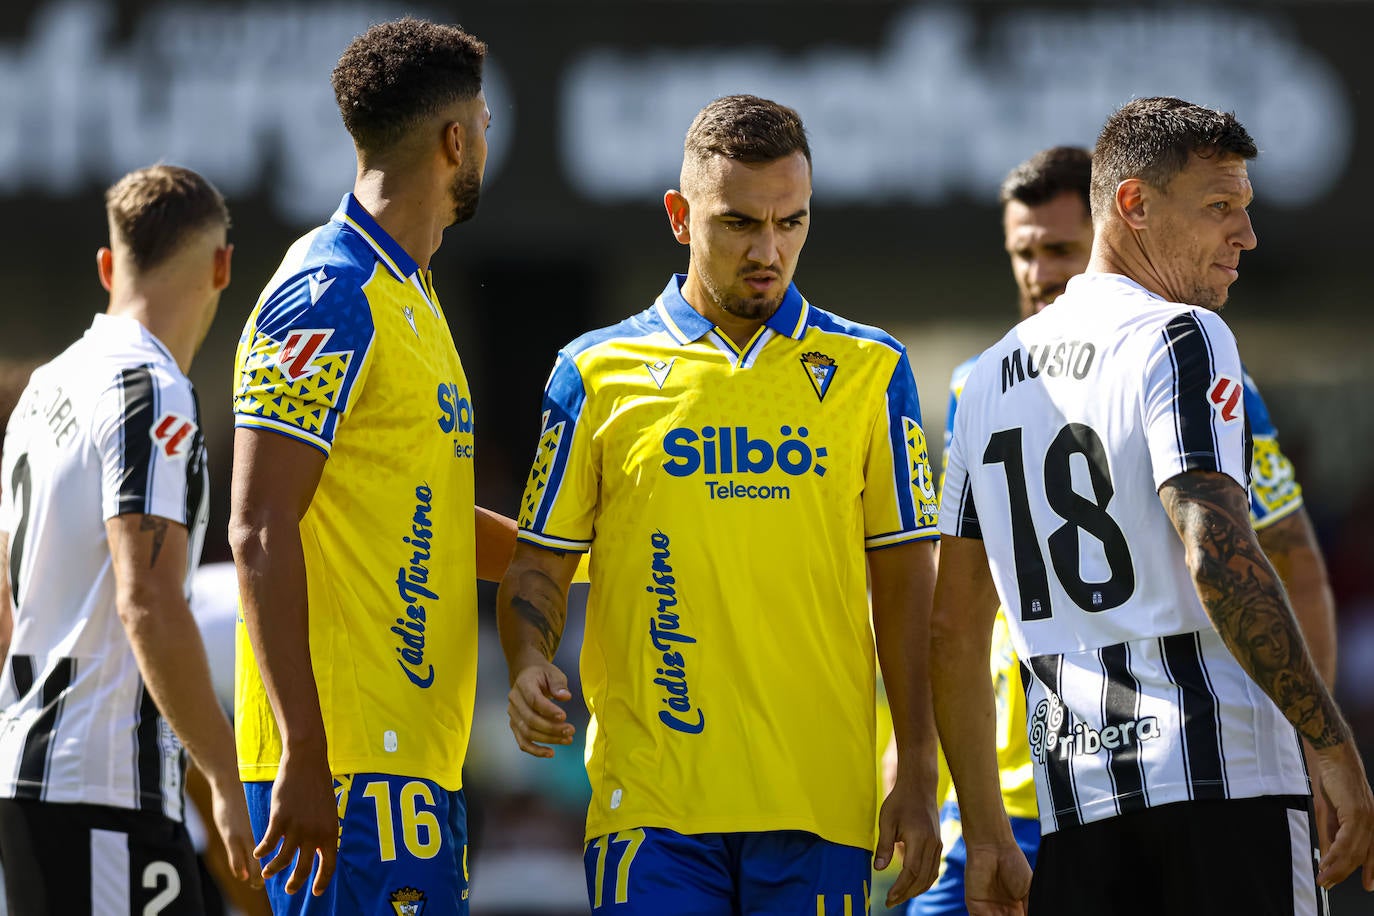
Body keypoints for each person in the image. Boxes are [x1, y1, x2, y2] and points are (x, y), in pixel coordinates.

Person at [498, 94, 943, 914]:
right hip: (651, 804)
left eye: (791, 222)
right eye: (738, 223)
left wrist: (916, 762)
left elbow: (910, 584)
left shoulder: (872, 371)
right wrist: (528, 662)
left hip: (818, 804)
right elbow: (539, 564)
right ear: (680, 216)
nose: (768, 250)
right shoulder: (592, 372)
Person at [930, 96, 1374, 916]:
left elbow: (953, 625)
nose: (1246, 235)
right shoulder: (1183, 334)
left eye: (1245, 210)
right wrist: (1330, 741)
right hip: (1226, 784)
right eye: (1220, 208)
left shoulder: (983, 379)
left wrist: (987, 830)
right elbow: (1217, 552)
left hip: (1075, 811)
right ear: (1133, 205)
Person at [228, 18, 514, 915]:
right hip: (343, 772)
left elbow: (421, 513)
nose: (488, 133)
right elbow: (257, 524)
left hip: (414, 765)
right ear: (454, 140)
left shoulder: (413, 296)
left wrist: (583, 559)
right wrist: (303, 754)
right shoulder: (327, 290)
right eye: (482, 118)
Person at [0, 165, 257, 914]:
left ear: (109, 266)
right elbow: (146, 599)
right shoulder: (151, 389)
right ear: (222, 266)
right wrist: (227, 782)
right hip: (104, 789)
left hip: (34, 775)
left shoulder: (45, 389)